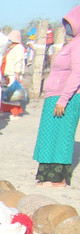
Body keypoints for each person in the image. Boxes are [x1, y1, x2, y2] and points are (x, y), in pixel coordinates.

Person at [34, 7, 80, 187]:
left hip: (67, 97)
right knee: (48, 136)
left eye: (70, 23)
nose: (67, 27)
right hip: (54, 95)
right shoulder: (72, 42)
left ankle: (58, 178)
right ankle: (45, 175)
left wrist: (64, 99)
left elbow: (77, 73)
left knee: (61, 137)